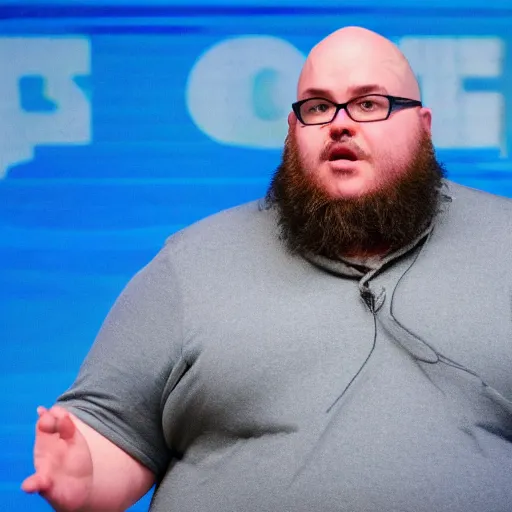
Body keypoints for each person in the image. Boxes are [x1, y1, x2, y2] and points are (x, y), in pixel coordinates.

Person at [22, 26, 512, 512]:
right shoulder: (193, 262)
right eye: (318, 107)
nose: (340, 123)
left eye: (369, 103)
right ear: (292, 130)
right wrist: (83, 472)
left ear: (423, 126)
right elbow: (111, 434)